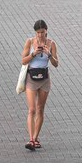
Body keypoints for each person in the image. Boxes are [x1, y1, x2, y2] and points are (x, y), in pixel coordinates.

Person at [20, 19, 58, 150]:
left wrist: (49, 55)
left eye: (42, 32)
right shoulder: (30, 42)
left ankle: (36, 138)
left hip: (44, 79)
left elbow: (56, 64)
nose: (40, 35)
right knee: (32, 110)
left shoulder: (51, 43)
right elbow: (23, 61)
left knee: (40, 109)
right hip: (31, 78)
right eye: (38, 33)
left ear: (46, 31)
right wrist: (33, 54)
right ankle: (31, 139)